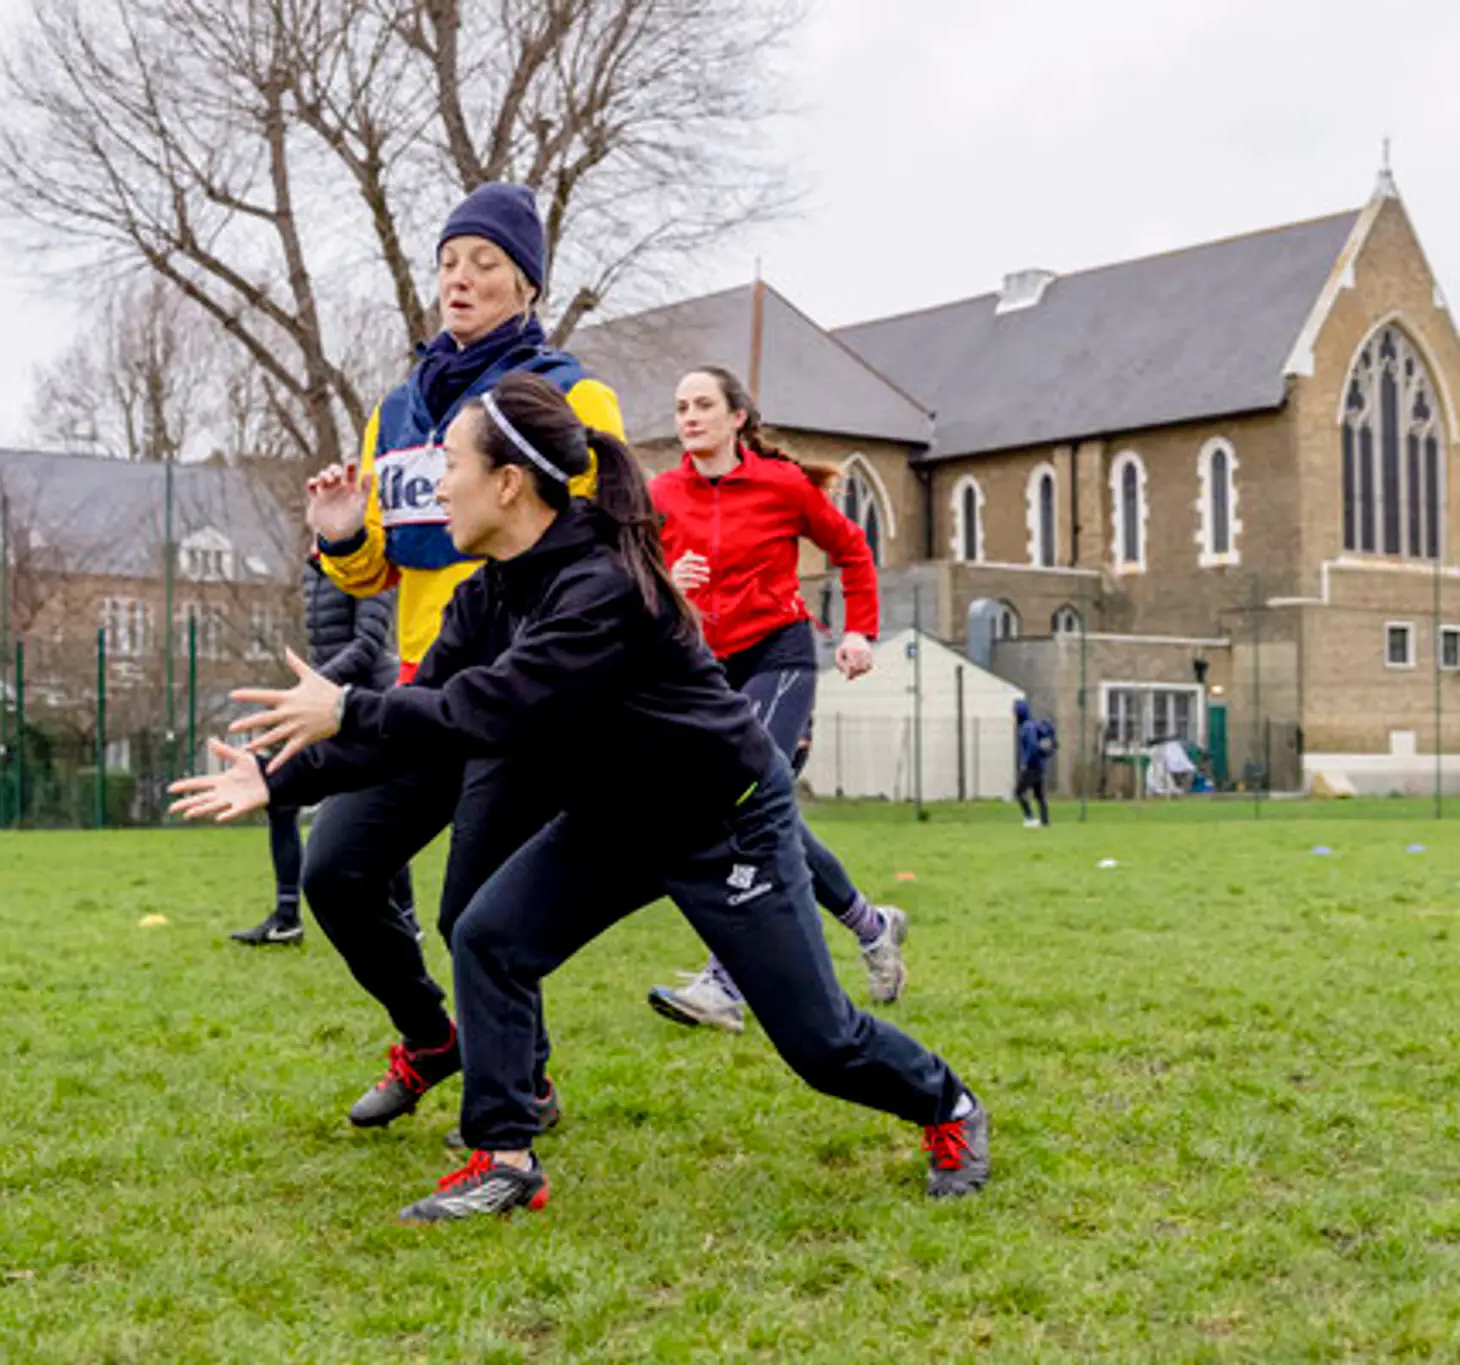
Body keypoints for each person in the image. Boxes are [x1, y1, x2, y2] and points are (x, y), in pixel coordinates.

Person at [174, 372, 990, 1222]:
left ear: (507, 483)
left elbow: (481, 709)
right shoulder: (485, 593)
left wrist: (346, 703)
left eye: (451, 463)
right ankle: (503, 1156)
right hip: (617, 817)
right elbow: (411, 724)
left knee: (820, 1044)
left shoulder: (600, 588)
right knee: (488, 935)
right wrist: (275, 777)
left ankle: (950, 1105)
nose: (434, 483)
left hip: (723, 819)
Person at [294, 181, 623, 1129]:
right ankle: (433, 1038)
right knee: (335, 871)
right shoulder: (398, 407)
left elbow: (594, 546)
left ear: (528, 285)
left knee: (474, 909)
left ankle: (525, 1083)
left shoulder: (573, 394)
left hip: (519, 697)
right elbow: (373, 573)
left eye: (484, 262)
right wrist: (342, 533)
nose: (460, 278)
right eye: (448, 261)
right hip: (420, 694)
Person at [644, 367, 909, 1035]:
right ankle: (871, 925)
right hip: (704, 667)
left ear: (737, 416)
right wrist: (668, 578)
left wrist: (858, 630)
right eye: (680, 407)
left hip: (779, 654)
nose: (690, 416)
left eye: (703, 404)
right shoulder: (661, 495)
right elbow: (633, 580)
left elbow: (852, 549)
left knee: (741, 797)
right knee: (764, 817)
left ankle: (725, 982)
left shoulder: (781, 485)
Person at [230, 557, 412, 946]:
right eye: (313, 491)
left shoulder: (370, 560)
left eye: (328, 489)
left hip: (365, 703)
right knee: (280, 801)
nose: (319, 495)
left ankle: (408, 920)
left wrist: (313, 686)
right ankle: (286, 916)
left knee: (380, 809)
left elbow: (368, 645)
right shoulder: (315, 566)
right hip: (323, 704)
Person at [1015, 699, 1054, 827]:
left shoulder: (1026, 727)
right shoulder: (1033, 724)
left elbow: (1031, 746)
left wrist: (1024, 763)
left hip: (1031, 766)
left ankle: (1030, 817)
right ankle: (1045, 820)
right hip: (1040, 764)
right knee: (1039, 795)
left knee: (1019, 792)